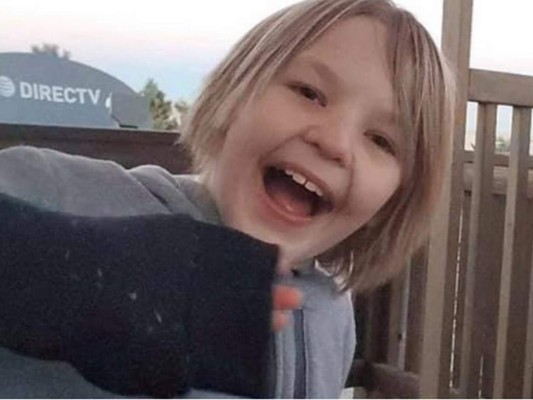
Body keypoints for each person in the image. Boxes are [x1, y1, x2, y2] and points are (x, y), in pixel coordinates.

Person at [0, 0, 455, 397]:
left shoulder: (330, 313)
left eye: (381, 140)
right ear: (236, 94)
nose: (335, 142)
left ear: (393, 200)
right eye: (309, 93)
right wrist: (71, 269)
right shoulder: (59, 194)